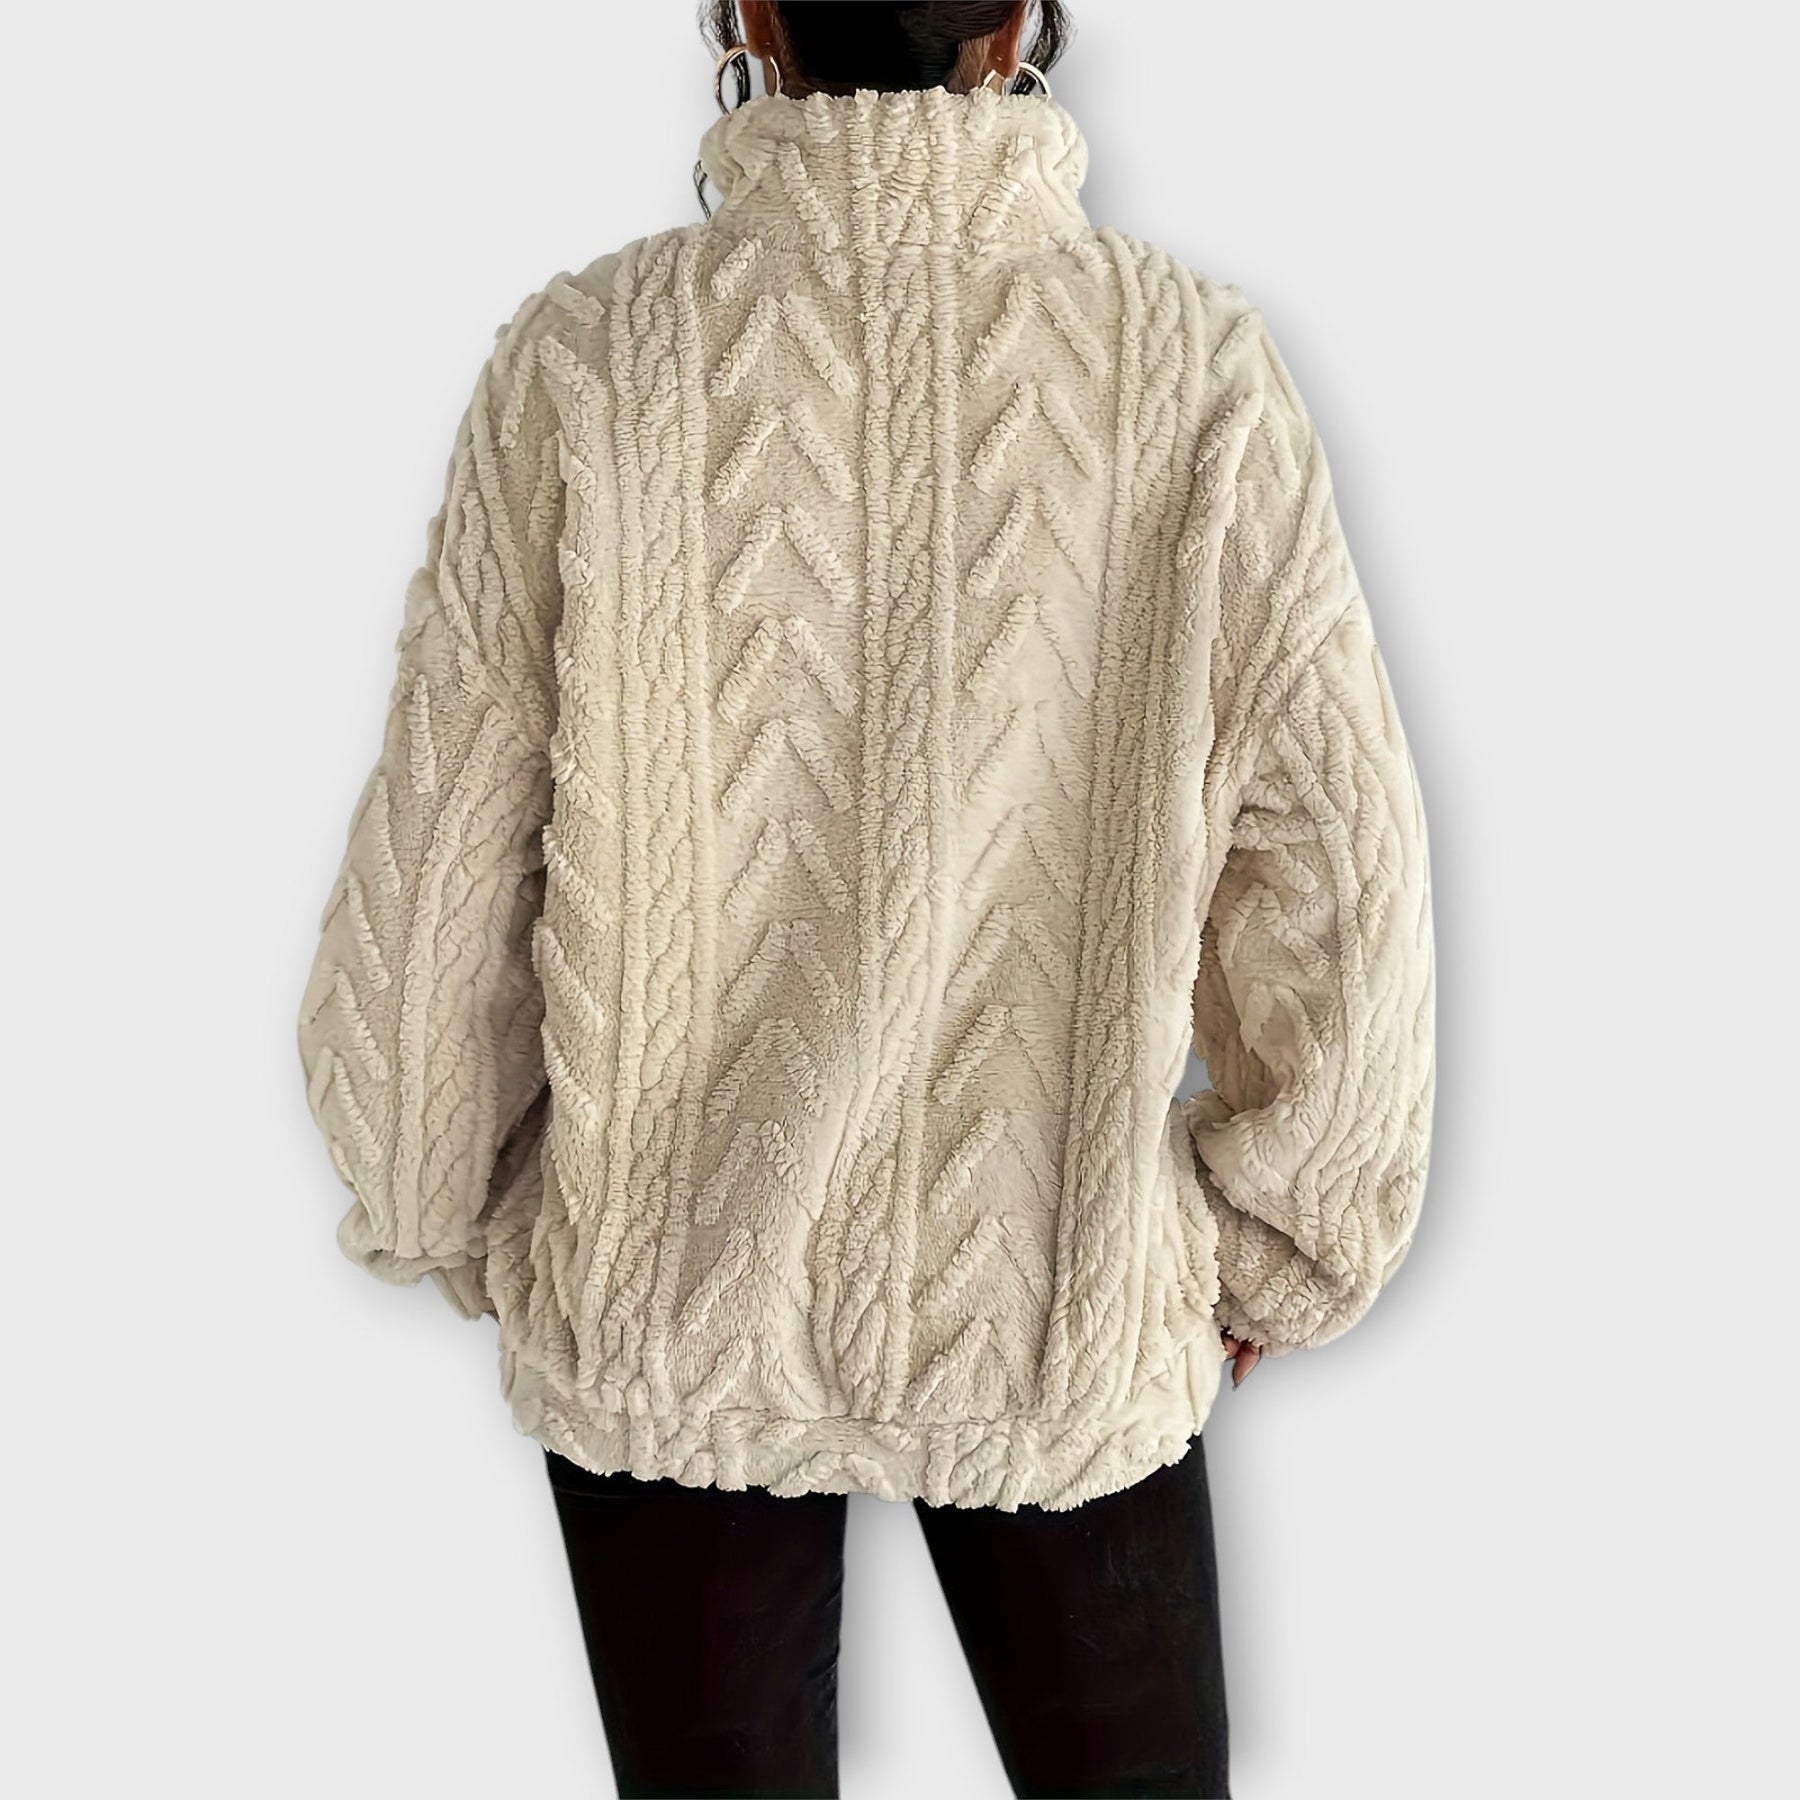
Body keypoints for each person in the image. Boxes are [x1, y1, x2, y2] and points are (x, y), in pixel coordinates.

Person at [293, 2, 1438, 1793]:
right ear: (1022, 25)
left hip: (668, 1306)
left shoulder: (592, 365)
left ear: (745, 15)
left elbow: (436, 874)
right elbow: (1338, 874)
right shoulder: (1189, 366)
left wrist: (457, 1200)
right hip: (1059, 1299)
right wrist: (1281, 1243)